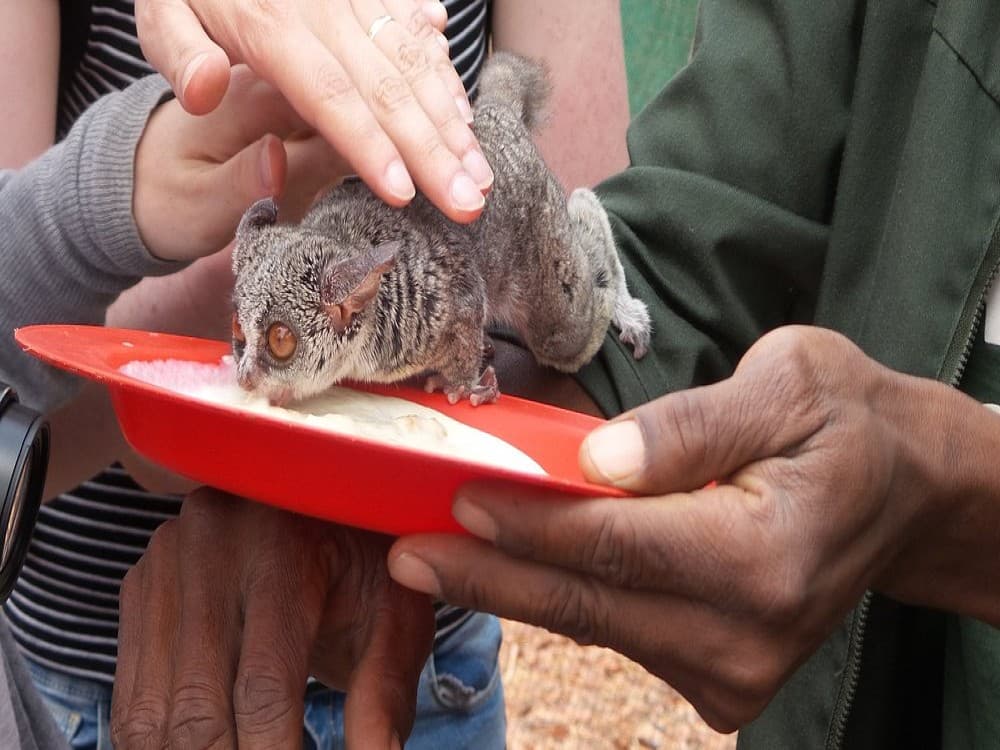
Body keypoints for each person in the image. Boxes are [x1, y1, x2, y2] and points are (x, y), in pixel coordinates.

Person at [112, 0, 1000, 747]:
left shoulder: (391, 295)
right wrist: (364, 494)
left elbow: (497, 288)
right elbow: (702, 241)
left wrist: (949, 503)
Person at [0, 1, 628, 748]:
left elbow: (582, 373)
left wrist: (367, 459)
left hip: (425, 629)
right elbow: (21, 391)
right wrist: (155, 211)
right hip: (103, 655)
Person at [0, 68, 434, 750]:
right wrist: (118, 198)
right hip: (96, 652)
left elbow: (543, 301)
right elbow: (19, 406)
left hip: (425, 642)